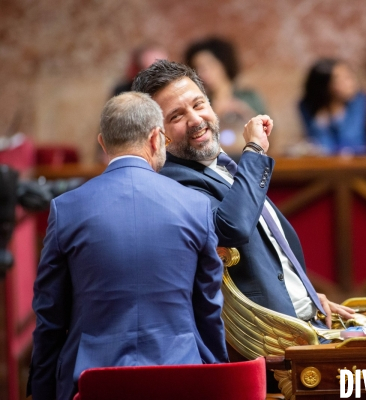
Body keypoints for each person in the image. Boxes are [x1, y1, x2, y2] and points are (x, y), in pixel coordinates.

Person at [29, 92, 228, 400]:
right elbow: (208, 309)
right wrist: (218, 378)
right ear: (154, 138)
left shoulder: (65, 209)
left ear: (103, 143)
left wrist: (42, 391)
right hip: (179, 376)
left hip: (91, 382)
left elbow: (49, 316)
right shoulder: (195, 206)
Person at [132, 60, 354, 330]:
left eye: (199, 104)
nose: (195, 120)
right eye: (176, 116)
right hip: (270, 346)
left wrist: (305, 298)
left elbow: (271, 259)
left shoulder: (223, 166)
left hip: (303, 322)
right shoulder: (172, 182)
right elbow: (232, 227)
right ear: (158, 133)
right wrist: (255, 151)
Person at [184, 37, 267, 159]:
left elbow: (270, 135)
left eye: (209, 65)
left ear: (223, 63)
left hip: (248, 158)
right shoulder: (198, 104)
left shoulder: (248, 97)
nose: (203, 73)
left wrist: (245, 112)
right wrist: (216, 113)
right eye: (198, 68)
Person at [299, 58, 366, 155]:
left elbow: (352, 141)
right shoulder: (308, 105)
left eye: (349, 77)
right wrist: (321, 121)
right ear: (325, 85)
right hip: (326, 165)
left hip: (358, 161)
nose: (351, 83)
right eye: (341, 79)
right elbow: (322, 145)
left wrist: (336, 117)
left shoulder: (359, 101)